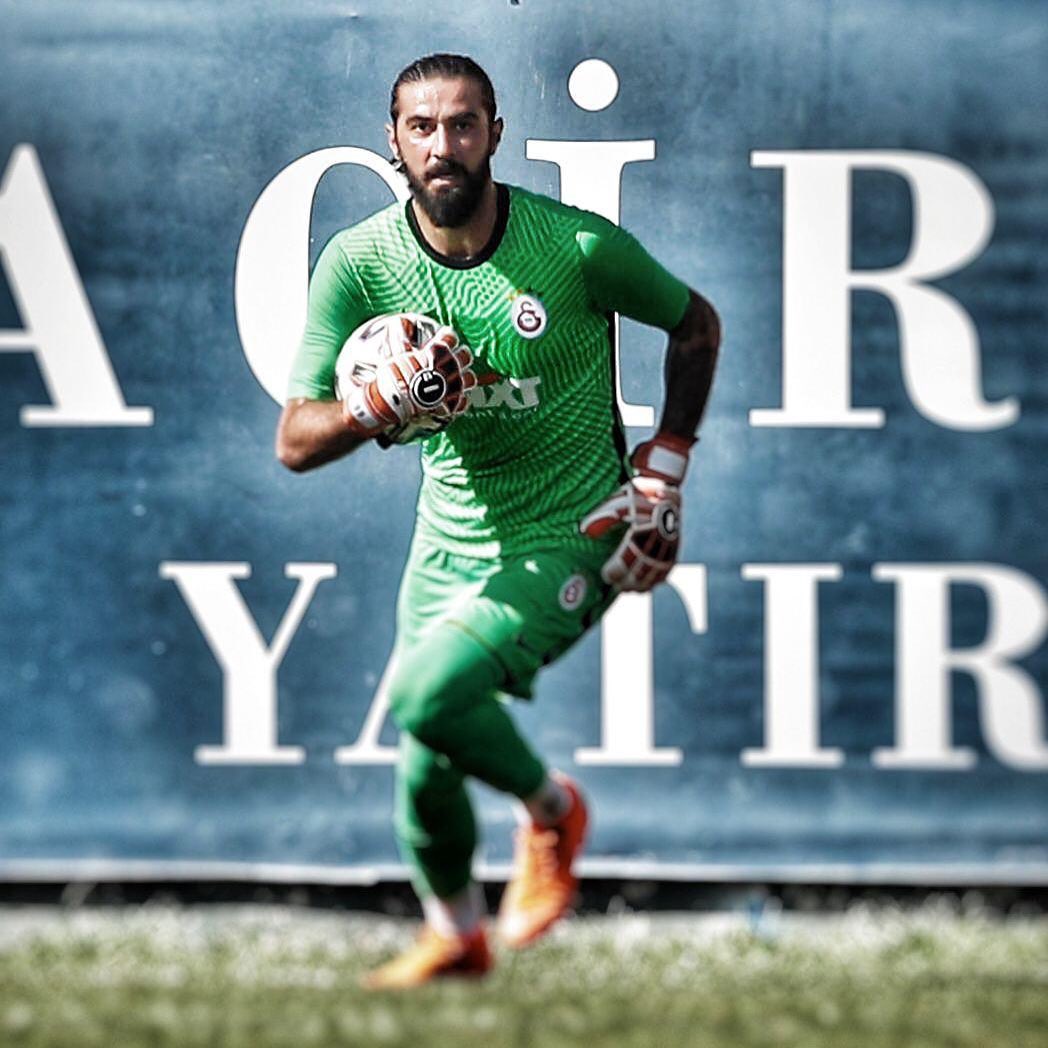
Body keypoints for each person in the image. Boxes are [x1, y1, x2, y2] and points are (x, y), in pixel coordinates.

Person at [275, 53, 721, 989]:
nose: (443, 145)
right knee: (424, 763)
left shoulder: (575, 248)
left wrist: (666, 467)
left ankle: (552, 811)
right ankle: (457, 937)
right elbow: (295, 440)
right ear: (394, 142)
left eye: (463, 124)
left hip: (574, 530)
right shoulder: (360, 262)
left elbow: (696, 324)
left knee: (423, 697)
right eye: (422, 128)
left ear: (495, 136)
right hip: (446, 544)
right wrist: (369, 409)